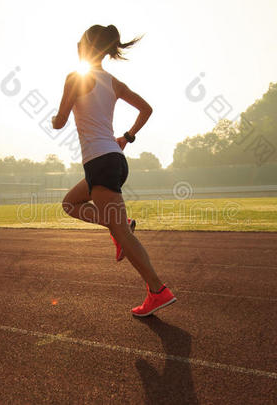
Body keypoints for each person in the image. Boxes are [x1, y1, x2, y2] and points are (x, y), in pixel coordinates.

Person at [51, 24, 176, 317]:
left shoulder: (75, 78)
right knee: (70, 203)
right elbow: (146, 109)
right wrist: (127, 137)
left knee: (122, 232)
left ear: (85, 46)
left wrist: (54, 119)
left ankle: (157, 291)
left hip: (99, 161)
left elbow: (60, 121)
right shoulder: (113, 82)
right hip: (115, 160)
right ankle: (120, 226)